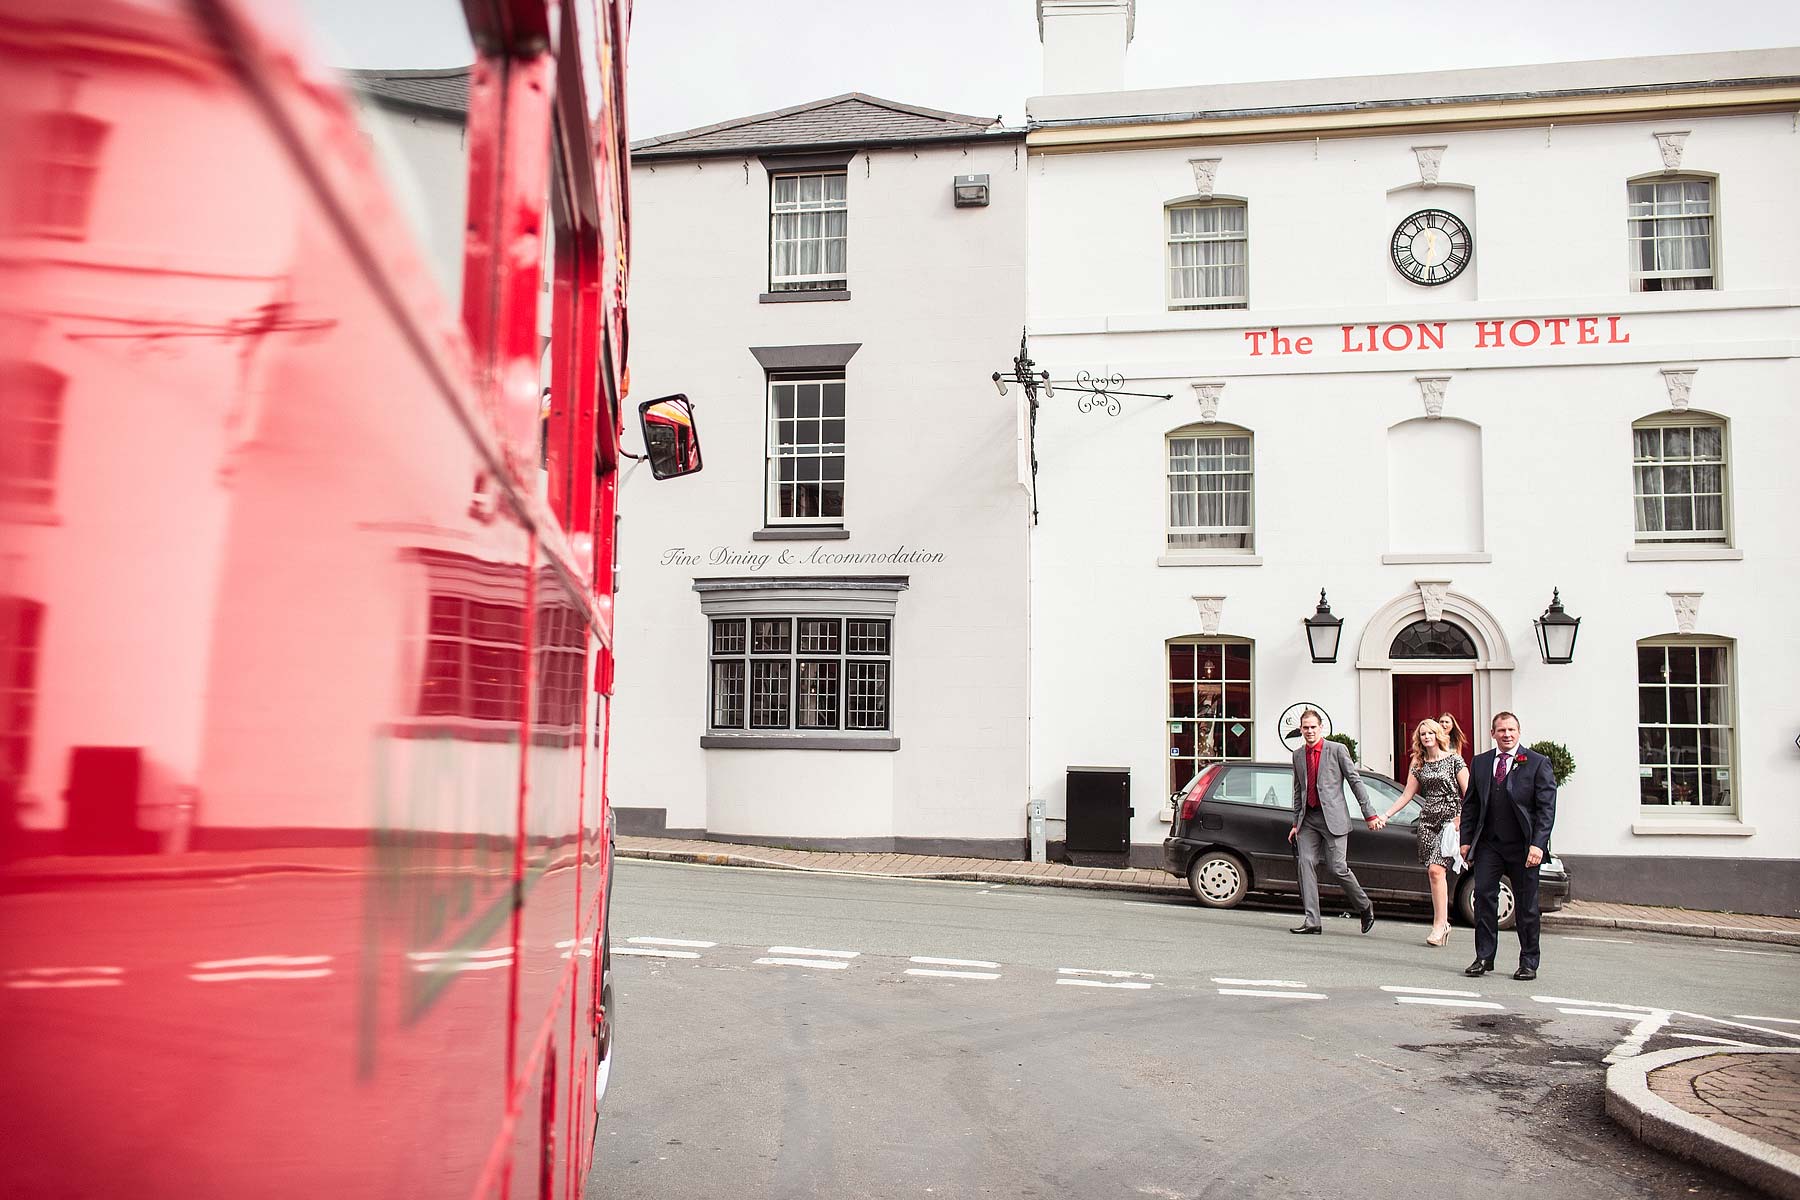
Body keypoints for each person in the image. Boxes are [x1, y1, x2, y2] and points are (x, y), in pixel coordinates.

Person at [1458, 712, 1557, 980]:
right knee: (1484, 900)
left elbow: (1546, 809)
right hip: (1490, 845)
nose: (1507, 734)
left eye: (1511, 730)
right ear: (1493, 733)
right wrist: (1466, 840)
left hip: (1524, 847)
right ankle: (1484, 957)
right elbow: (1471, 806)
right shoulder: (1480, 763)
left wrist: (1538, 844)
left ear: (1519, 732)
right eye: (1501, 730)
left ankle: (1528, 962)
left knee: (1526, 906)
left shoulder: (1537, 763)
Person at [1286, 710, 1383, 935]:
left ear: (1321, 728)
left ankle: (1364, 905)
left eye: (1313, 727)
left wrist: (1369, 813)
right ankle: (1313, 921)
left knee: (1337, 868)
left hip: (1334, 818)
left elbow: (1355, 781)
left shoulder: (1337, 750)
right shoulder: (1298, 755)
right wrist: (1295, 823)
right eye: (1305, 727)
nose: (1309, 731)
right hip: (1308, 820)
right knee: (1305, 864)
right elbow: (1298, 790)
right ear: (1300, 729)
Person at [1379, 719, 1469, 947]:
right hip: (1428, 820)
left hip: (1450, 821)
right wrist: (1385, 815)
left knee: (1437, 870)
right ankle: (1441, 924)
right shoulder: (1418, 763)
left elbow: (1470, 792)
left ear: (1438, 734)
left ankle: (1440, 924)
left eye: (1430, 732)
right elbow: (1406, 795)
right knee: (1432, 873)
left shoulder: (1454, 760)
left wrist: (1462, 818)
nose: (1426, 736)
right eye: (1422, 734)